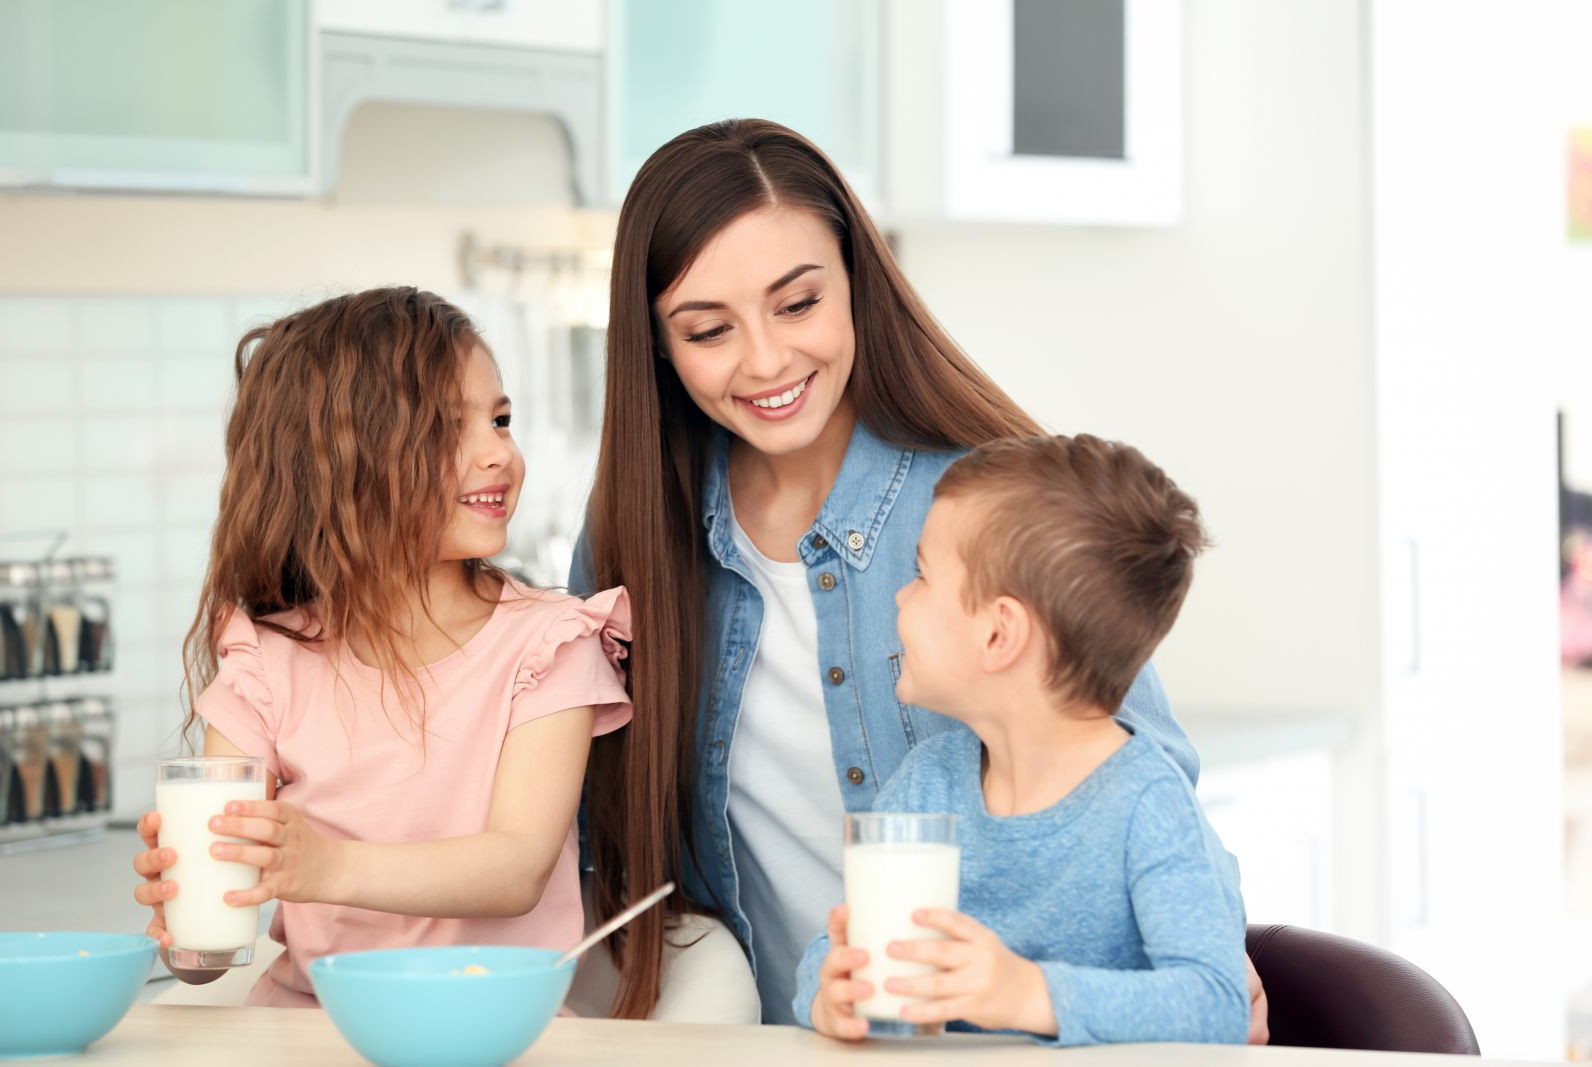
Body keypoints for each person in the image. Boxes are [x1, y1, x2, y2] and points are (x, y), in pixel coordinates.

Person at [570, 118, 1266, 1036]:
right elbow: (586, 818)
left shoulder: (981, 506)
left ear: (857, 283)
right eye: (709, 329)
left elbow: (1132, 765)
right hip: (793, 1037)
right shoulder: (637, 529)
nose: (768, 360)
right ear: (658, 342)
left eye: (798, 304)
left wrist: (1183, 971)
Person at [130, 287, 633, 1007]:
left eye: (500, 419)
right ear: (340, 464)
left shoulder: (549, 643)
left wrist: (325, 866)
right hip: (308, 1031)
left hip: (491, 1033)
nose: (499, 453)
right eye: (449, 429)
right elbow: (208, 959)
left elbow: (516, 867)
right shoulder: (266, 663)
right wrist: (187, 922)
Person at [797, 434, 1248, 1045]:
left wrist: (1026, 993)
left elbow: (1217, 1006)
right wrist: (828, 993)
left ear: (998, 634)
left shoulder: (1147, 805)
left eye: (921, 575)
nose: (901, 595)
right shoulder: (928, 784)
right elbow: (841, 941)